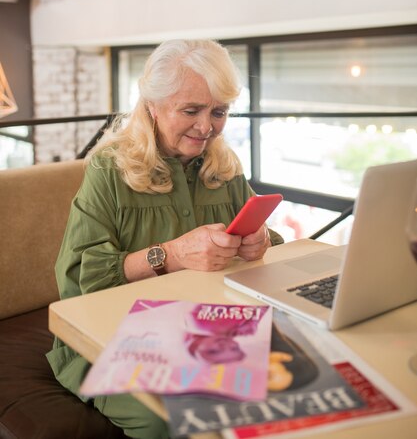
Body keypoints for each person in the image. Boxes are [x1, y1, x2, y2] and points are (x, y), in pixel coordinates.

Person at [47, 38, 284, 439]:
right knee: (170, 417)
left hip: (208, 333)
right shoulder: (109, 168)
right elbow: (78, 279)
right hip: (113, 337)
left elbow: (268, 243)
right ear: (151, 107)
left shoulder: (223, 166)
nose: (207, 127)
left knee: (281, 388)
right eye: (190, 110)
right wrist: (170, 255)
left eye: (219, 112)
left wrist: (260, 242)